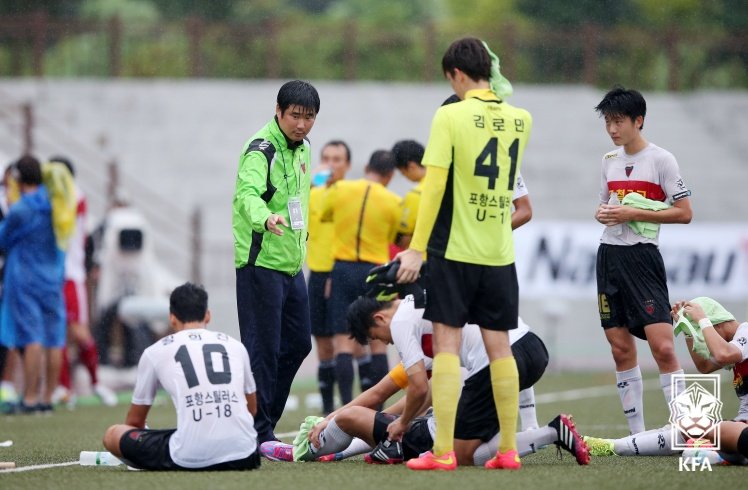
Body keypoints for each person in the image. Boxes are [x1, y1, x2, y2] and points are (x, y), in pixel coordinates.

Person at [396, 37, 532, 470]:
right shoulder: (521, 118)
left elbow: (433, 186)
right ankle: (509, 451)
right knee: (500, 350)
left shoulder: (449, 115)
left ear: (455, 73)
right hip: (498, 251)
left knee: (449, 347)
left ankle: (442, 453)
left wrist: (416, 250)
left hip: (455, 249)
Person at [593, 86, 693, 435]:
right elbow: (605, 206)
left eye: (618, 121)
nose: (612, 129)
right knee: (620, 348)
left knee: (663, 347)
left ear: (639, 120)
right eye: (608, 121)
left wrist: (632, 212)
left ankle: (688, 430)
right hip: (609, 257)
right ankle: (637, 434)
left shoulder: (662, 159)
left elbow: (684, 213)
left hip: (642, 258)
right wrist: (604, 214)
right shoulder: (608, 161)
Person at [233, 80, 319, 443]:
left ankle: (261, 420)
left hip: (291, 264)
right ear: (278, 111)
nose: (301, 124)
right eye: (295, 116)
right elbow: (247, 194)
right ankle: (258, 430)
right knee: (263, 350)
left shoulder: (304, 149)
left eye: (309, 117)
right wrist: (264, 218)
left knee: (299, 344)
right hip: (261, 263)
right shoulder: (260, 150)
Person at [102, 283, 261, 471]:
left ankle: (142, 463)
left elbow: (135, 422)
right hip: (246, 453)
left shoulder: (155, 352)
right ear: (208, 315)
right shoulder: (235, 346)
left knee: (112, 434)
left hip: (190, 455)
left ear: (172, 318)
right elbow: (251, 409)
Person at [584, 297, 748, 465]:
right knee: (688, 430)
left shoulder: (745, 332)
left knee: (690, 427)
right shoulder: (735, 347)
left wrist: (702, 319)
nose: (705, 344)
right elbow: (704, 366)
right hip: (741, 425)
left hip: (744, 427)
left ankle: (615, 446)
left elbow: (723, 354)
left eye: (703, 336)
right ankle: (723, 453)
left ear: (717, 324)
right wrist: (688, 330)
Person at [321, 150, 401, 406]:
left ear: (366, 166)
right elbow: (394, 236)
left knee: (342, 342)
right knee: (378, 343)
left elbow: (325, 214)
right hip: (374, 271)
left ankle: (346, 405)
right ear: (390, 175)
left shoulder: (340, 189)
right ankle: (378, 406)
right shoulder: (392, 200)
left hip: (342, 268)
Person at [48, 156, 117, 407]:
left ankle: (97, 383)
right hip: (56, 273)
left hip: (70, 274)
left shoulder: (72, 195)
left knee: (78, 330)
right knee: (59, 333)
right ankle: (64, 388)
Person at [0, 156, 66, 413]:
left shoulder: (21, 209)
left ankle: (29, 398)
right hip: (51, 276)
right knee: (54, 338)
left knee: (32, 337)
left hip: (25, 277)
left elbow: (2, 239)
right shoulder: (55, 203)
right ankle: (47, 398)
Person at [307, 140, 352, 415]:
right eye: (326, 158)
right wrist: (316, 182)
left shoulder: (351, 195)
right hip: (317, 272)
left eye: (337, 159)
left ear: (347, 165)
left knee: (348, 344)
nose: (331, 164)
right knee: (323, 345)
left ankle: (350, 407)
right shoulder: (311, 194)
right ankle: (326, 411)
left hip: (343, 271)